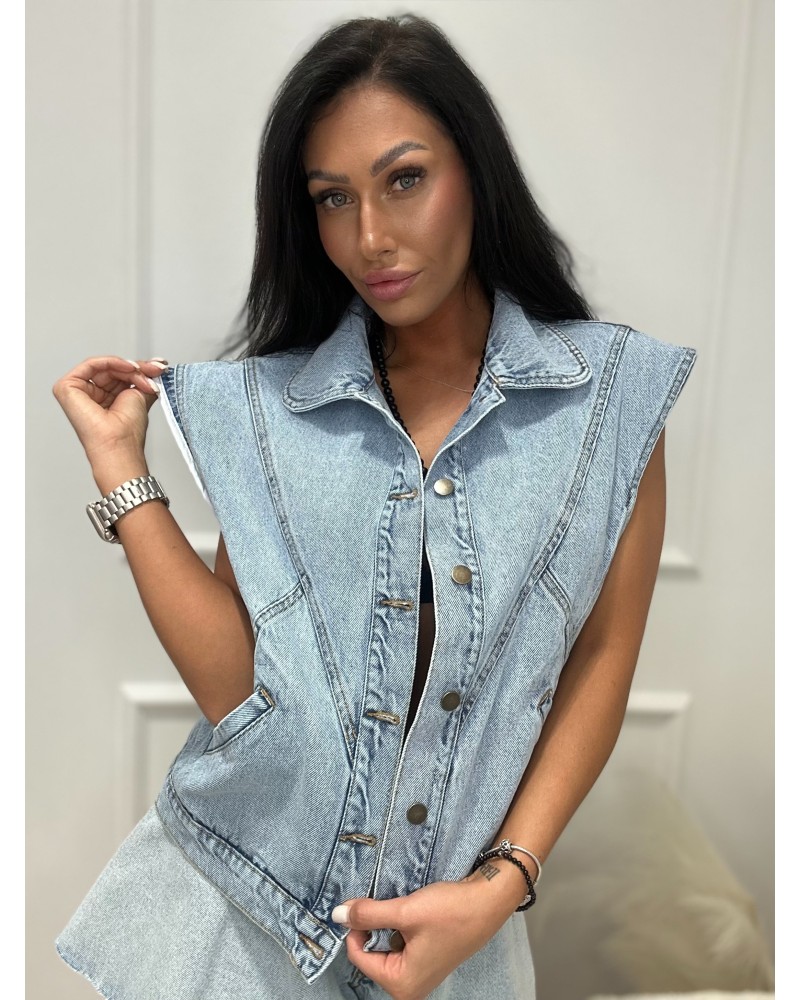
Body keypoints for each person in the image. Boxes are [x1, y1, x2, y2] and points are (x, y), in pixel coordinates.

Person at [52, 13, 696, 1000]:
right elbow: (241, 691)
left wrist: (500, 885)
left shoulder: (610, 398)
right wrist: (121, 472)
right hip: (236, 922)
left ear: (474, 171)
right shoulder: (272, 412)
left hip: (462, 945)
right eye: (332, 198)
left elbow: (602, 656)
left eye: (404, 179)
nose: (369, 238)